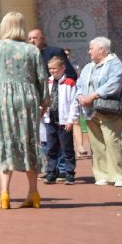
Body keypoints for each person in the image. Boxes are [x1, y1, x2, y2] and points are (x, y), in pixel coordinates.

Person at [0, 11, 47, 209]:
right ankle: (33, 193)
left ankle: (5, 193)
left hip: (3, 100)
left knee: (5, 141)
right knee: (29, 141)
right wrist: (45, 102)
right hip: (28, 99)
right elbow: (42, 77)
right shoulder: (32, 50)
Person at [75, 36, 122, 187]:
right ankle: (102, 174)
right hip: (90, 110)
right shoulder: (88, 67)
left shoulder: (115, 64)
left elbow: (114, 84)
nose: (89, 52)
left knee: (111, 141)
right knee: (96, 143)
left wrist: (92, 96)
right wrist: (80, 96)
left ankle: (119, 176)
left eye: (91, 48)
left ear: (102, 50)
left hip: (109, 110)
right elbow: (79, 84)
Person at [41, 56, 78, 184]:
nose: (52, 71)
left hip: (64, 121)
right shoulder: (47, 82)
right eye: (50, 68)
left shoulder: (70, 83)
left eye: (54, 68)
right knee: (51, 148)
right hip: (50, 120)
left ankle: (69, 173)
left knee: (67, 149)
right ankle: (51, 173)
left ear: (62, 68)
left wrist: (71, 120)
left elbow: (74, 103)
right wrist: (42, 110)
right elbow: (44, 99)